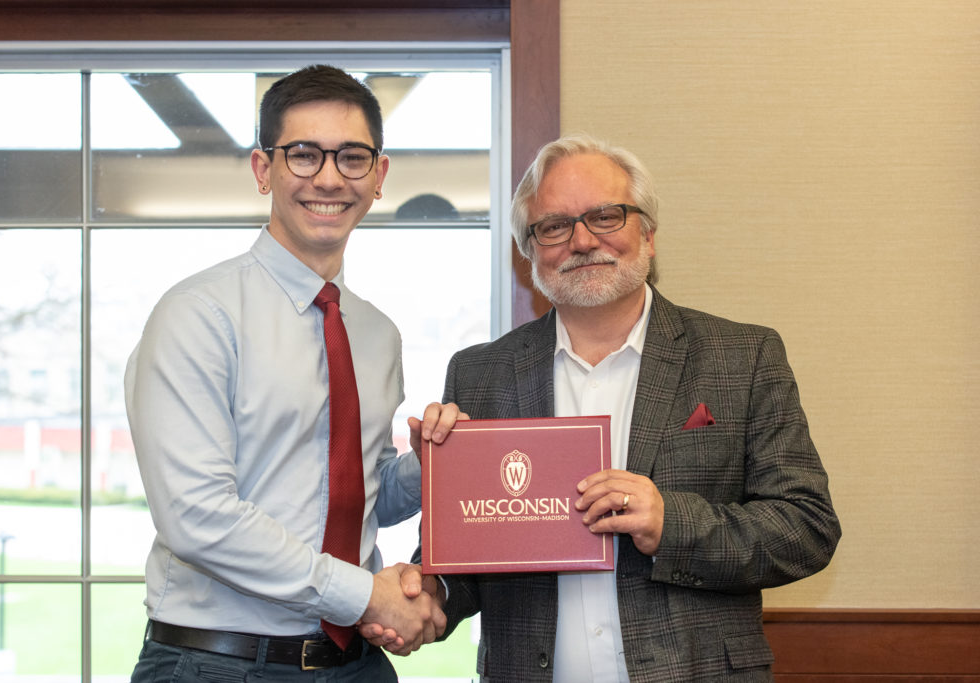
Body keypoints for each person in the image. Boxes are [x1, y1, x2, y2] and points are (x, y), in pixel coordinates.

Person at [365, 134, 842, 681]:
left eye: (606, 216)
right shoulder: (481, 373)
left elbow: (807, 528)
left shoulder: (743, 356)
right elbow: (471, 552)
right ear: (529, 252)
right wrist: (431, 591)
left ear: (649, 233)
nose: (583, 240)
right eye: (554, 226)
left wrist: (671, 523)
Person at [125, 64, 457, 682]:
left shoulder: (377, 332)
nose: (329, 177)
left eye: (352, 157)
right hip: (218, 664)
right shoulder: (197, 315)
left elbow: (356, 496)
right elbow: (198, 516)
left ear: (378, 176)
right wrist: (364, 595)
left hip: (355, 664)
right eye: (303, 154)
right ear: (263, 169)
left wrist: (437, 461)